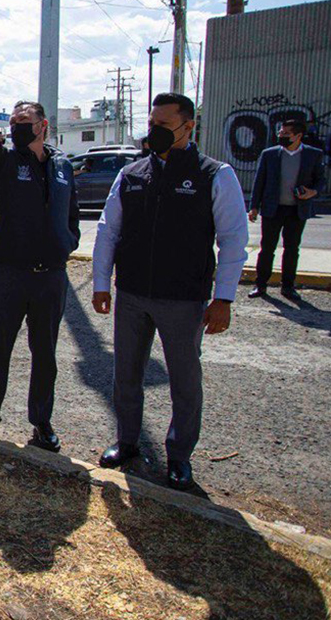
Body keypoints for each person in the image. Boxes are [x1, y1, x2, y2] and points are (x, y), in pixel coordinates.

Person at [92, 92, 248, 491]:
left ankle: (179, 456)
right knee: (126, 373)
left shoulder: (215, 174)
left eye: (163, 126)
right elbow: (109, 230)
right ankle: (127, 442)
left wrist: (224, 298)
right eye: (151, 124)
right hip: (132, 295)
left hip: (183, 298)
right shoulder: (132, 173)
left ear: (188, 126)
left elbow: (233, 240)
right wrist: (100, 282)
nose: (154, 132)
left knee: (184, 379)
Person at [0, 62, 80, 450]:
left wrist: (67, 242)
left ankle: (41, 423)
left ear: (43, 125)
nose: (17, 126)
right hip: (8, 274)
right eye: (13, 121)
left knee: (45, 354)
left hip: (50, 276)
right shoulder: (5, 162)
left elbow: (72, 214)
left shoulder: (63, 166)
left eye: (24, 120)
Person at [248, 118, 326, 301]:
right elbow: (260, 181)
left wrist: (312, 192)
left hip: (296, 211)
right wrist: (254, 206)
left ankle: (288, 286)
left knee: (291, 249)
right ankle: (260, 285)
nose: (281, 136)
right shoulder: (270, 154)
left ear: (298, 136)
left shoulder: (313, 155)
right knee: (266, 249)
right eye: (280, 133)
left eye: (285, 134)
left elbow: (320, 180)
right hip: (272, 210)